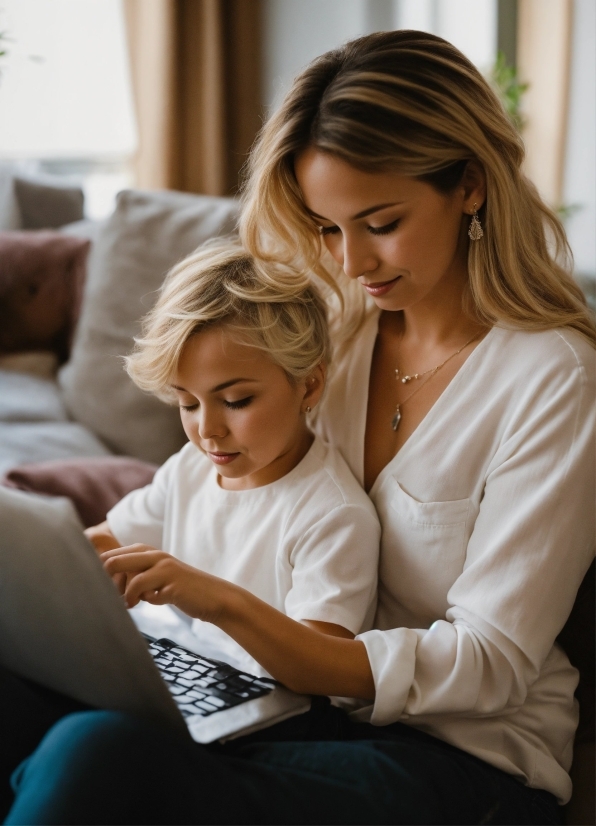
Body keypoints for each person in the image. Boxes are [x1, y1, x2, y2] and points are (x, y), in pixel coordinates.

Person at [3, 30, 595, 826]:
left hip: (457, 754)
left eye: (380, 221)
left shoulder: (553, 377)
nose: (351, 262)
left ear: (472, 187)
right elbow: (225, 491)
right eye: (325, 228)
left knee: (96, 757)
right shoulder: (335, 337)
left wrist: (230, 611)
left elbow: (489, 663)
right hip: (282, 709)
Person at [84, 239, 380, 675]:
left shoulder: (333, 515)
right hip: (195, 675)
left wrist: (214, 599)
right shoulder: (191, 467)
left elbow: (321, 666)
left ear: (310, 386)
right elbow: (107, 541)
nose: (207, 431)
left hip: (280, 710)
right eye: (188, 403)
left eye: (237, 400)